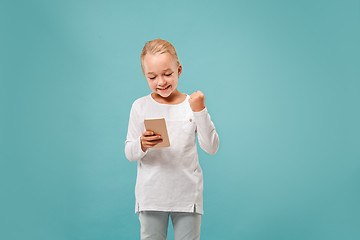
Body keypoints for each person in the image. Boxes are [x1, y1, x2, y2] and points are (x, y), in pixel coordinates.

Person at [125, 38, 219, 240]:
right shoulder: (139, 106)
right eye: (152, 77)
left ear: (179, 70)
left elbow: (211, 148)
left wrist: (200, 110)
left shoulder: (191, 104)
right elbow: (129, 152)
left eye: (167, 74)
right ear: (145, 76)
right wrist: (141, 144)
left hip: (187, 197)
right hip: (151, 196)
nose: (161, 82)